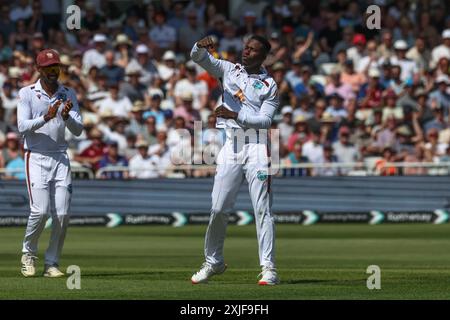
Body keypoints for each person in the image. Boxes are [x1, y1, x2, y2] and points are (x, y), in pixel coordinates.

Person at [190, 35, 280, 285]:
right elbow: (197, 58)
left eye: (253, 50)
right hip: (231, 146)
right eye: (246, 48)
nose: (247, 52)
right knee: (218, 208)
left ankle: (269, 268)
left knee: (262, 209)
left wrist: (235, 114)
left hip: (258, 147)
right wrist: (199, 45)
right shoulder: (228, 69)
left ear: (263, 57)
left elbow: (265, 122)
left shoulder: (270, 84)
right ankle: (213, 262)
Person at [17, 49, 83, 277]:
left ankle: (52, 263)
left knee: (63, 215)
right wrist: (46, 116)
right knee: (40, 211)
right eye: (48, 68)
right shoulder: (27, 93)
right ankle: (28, 253)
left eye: (56, 67)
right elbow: (22, 126)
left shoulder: (68, 93)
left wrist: (65, 117)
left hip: (61, 157)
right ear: (39, 69)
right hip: (35, 156)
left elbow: (78, 130)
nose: (53, 72)